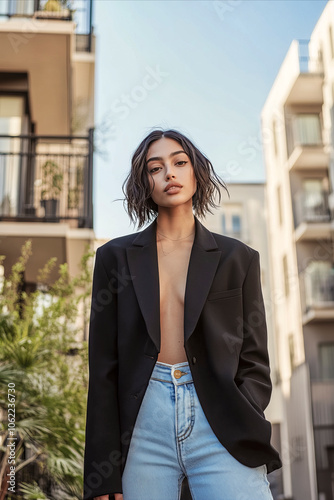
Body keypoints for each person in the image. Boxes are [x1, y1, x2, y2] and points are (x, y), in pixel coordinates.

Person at [83, 129, 282, 500]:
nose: (169, 174)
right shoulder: (114, 258)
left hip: (221, 419)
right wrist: (101, 474)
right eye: (155, 168)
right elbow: (103, 369)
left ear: (196, 172)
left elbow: (254, 358)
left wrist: (242, 407)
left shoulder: (238, 258)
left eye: (179, 162)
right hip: (143, 422)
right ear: (145, 183)